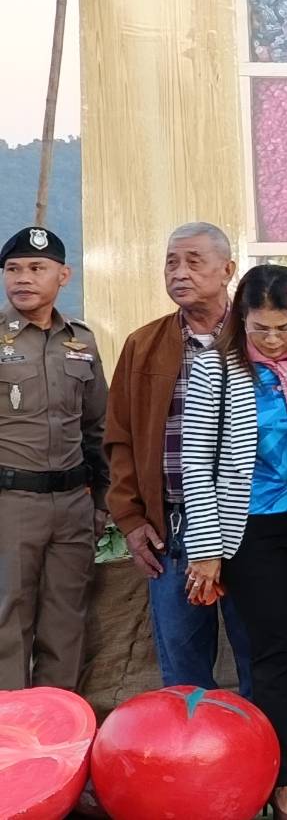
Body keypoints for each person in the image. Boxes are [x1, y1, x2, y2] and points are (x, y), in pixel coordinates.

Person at [179, 264, 287, 819]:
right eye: (259, 328)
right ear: (240, 320)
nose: (271, 339)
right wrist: (206, 550)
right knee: (274, 654)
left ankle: (272, 768)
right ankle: (284, 783)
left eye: (283, 328)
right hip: (250, 528)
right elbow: (197, 461)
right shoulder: (216, 367)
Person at [104, 222, 252, 695]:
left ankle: (271, 745)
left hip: (253, 521)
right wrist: (130, 520)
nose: (179, 273)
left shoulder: (257, 338)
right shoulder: (144, 344)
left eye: (193, 261)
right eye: (171, 262)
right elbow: (119, 438)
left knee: (262, 656)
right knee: (183, 664)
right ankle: (192, 744)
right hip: (172, 525)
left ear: (227, 269)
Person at [0, 226, 107, 691]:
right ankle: (9, 731)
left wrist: (102, 502)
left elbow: (98, 428)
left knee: (66, 623)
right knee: (7, 622)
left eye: (36, 268)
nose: (22, 278)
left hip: (72, 506)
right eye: (13, 269)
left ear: (63, 275)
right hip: (10, 503)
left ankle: (58, 728)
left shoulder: (81, 342)